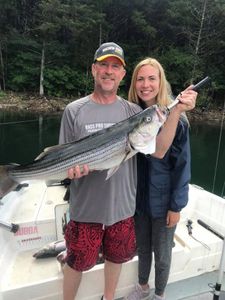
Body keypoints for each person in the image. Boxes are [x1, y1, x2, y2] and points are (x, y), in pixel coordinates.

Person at [59, 43, 197, 300]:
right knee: (76, 261)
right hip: (86, 209)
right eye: (103, 65)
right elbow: (65, 159)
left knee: (117, 257)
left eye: (115, 67)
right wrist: (70, 172)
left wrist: (177, 109)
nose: (109, 71)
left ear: (122, 75)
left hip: (124, 209)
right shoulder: (73, 110)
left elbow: (159, 150)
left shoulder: (135, 112)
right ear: (93, 69)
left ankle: (111, 298)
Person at [125, 57, 192, 300]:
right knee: (142, 248)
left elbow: (183, 166)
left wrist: (177, 205)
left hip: (164, 201)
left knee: (162, 253)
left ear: (160, 82)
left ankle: (159, 295)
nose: (146, 84)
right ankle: (142, 287)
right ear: (134, 83)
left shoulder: (178, 119)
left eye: (152, 78)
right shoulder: (130, 114)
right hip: (138, 199)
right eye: (140, 79)